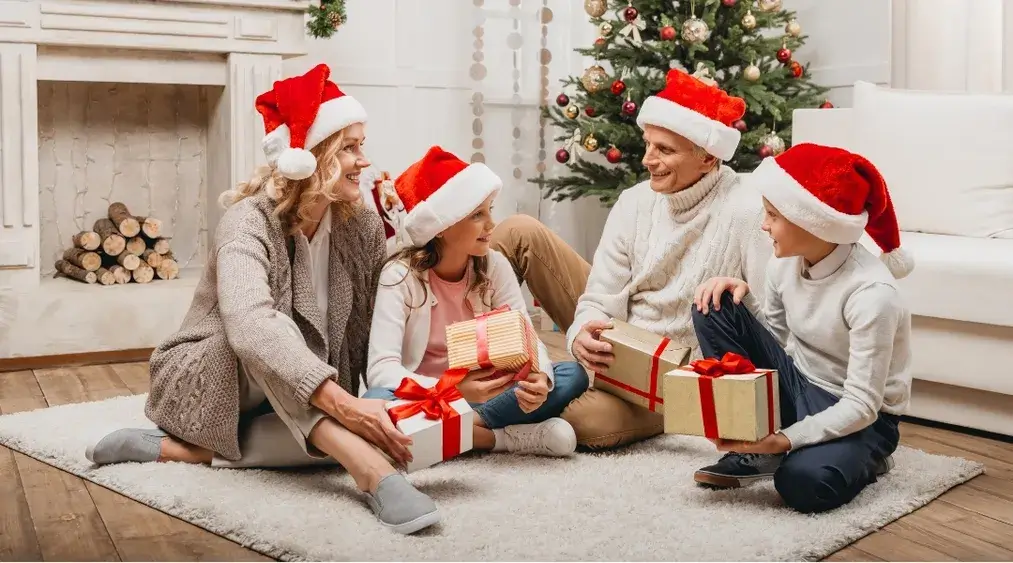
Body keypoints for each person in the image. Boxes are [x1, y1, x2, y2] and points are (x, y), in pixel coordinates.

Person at [83, 64, 440, 535]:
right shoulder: (247, 222)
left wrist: (390, 393)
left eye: (362, 146)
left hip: (298, 395)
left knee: (323, 435)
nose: (364, 160)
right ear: (313, 157)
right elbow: (251, 326)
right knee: (271, 333)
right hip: (212, 374)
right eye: (350, 147)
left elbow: (374, 323)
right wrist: (345, 408)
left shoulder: (363, 227)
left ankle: (179, 450)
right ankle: (371, 472)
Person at [490, 67, 772, 449]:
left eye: (665, 150)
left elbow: (770, 322)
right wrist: (581, 334)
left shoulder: (748, 208)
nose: (647, 160)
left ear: (708, 159)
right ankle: (469, 361)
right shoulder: (635, 202)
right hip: (617, 339)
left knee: (586, 423)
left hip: (676, 374)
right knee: (518, 230)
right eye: (648, 145)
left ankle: (529, 383)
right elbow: (598, 297)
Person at [691, 143, 914, 514]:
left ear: (813, 222)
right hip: (801, 383)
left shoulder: (873, 295)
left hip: (863, 415)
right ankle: (757, 442)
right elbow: (777, 341)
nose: (764, 225)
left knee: (803, 483)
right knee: (713, 306)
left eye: (773, 215)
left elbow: (862, 404)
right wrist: (744, 302)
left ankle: (868, 459)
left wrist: (785, 440)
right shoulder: (785, 264)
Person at [365, 146, 588, 457]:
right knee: (373, 399)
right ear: (442, 226)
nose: (491, 225)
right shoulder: (399, 277)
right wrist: (449, 389)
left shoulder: (494, 266)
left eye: (490, 211)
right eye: (477, 215)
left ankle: (450, 431)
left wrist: (540, 377)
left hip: (487, 396)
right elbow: (381, 369)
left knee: (570, 375)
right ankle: (502, 439)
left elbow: (527, 337)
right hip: (428, 395)